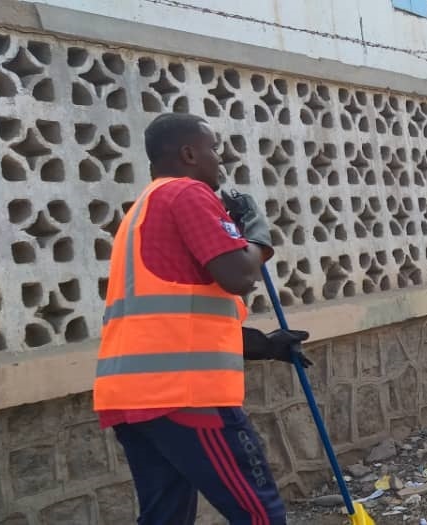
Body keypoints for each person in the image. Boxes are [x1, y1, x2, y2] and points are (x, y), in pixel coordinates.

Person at [93, 112, 310, 524]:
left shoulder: (142, 210)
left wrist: (263, 345)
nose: (220, 162)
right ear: (189, 153)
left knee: (166, 517)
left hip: (132, 396)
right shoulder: (186, 194)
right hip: (185, 396)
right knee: (259, 512)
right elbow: (238, 275)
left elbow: (179, 317)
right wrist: (257, 235)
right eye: (214, 150)